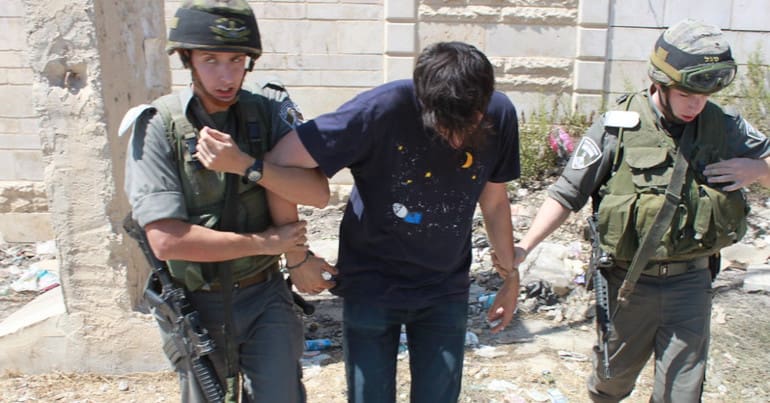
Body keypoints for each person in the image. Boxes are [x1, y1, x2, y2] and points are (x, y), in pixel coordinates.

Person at [512, 19, 770, 403]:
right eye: (685, 94)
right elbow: (567, 193)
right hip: (628, 286)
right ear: (659, 83)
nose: (696, 104)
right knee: (612, 383)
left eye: (704, 95)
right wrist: (525, 247)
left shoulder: (725, 125)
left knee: (681, 395)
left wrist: (759, 170)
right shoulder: (616, 126)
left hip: (691, 284)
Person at [262, 41, 521, 403]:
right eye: (449, 126)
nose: (460, 138)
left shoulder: (500, 115)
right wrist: (297, 257)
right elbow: (279, 161)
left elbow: (494, 201)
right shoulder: (378, 111)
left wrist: (510, 276)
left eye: (470, 124)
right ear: (424, 104)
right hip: (372, 285)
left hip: (444, 286)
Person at [121, 1, 335, 402]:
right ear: (188, 60)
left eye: (236, 60)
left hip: (264, 294)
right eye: (211, 60)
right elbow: (167, 241)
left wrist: (247, 165)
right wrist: (268, 244)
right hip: (196, 301)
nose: (226, 76)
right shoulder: (158, 125)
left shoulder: (268, 111)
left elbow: (317, 194)